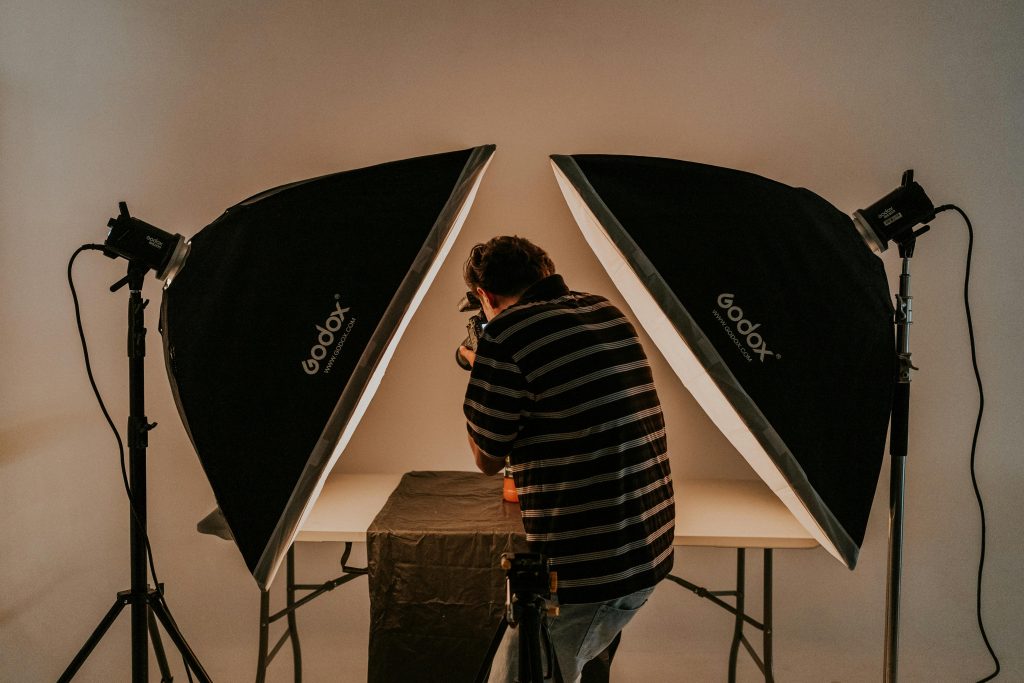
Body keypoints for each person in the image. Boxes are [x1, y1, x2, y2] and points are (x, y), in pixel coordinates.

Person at [459, 236, 675, 683]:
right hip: (643, 549)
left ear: (484, 296)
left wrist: (480, 365)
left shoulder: (504, 336)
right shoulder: (604, 310)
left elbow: (486, 458)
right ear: (545, 270)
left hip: (591, 572)